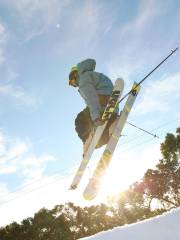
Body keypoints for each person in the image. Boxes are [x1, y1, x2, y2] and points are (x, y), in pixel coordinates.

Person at [69, 59, 119, 154]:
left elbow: (92, 98)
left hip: (101, 103)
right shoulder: (92, 75)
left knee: (80, 120)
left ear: (75, 75)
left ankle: (87, 139)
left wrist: (95, 116)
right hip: (110, 105)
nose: (74, 85)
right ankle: (111, 127)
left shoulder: (83, 79)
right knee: (99, 138)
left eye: (72, 82)